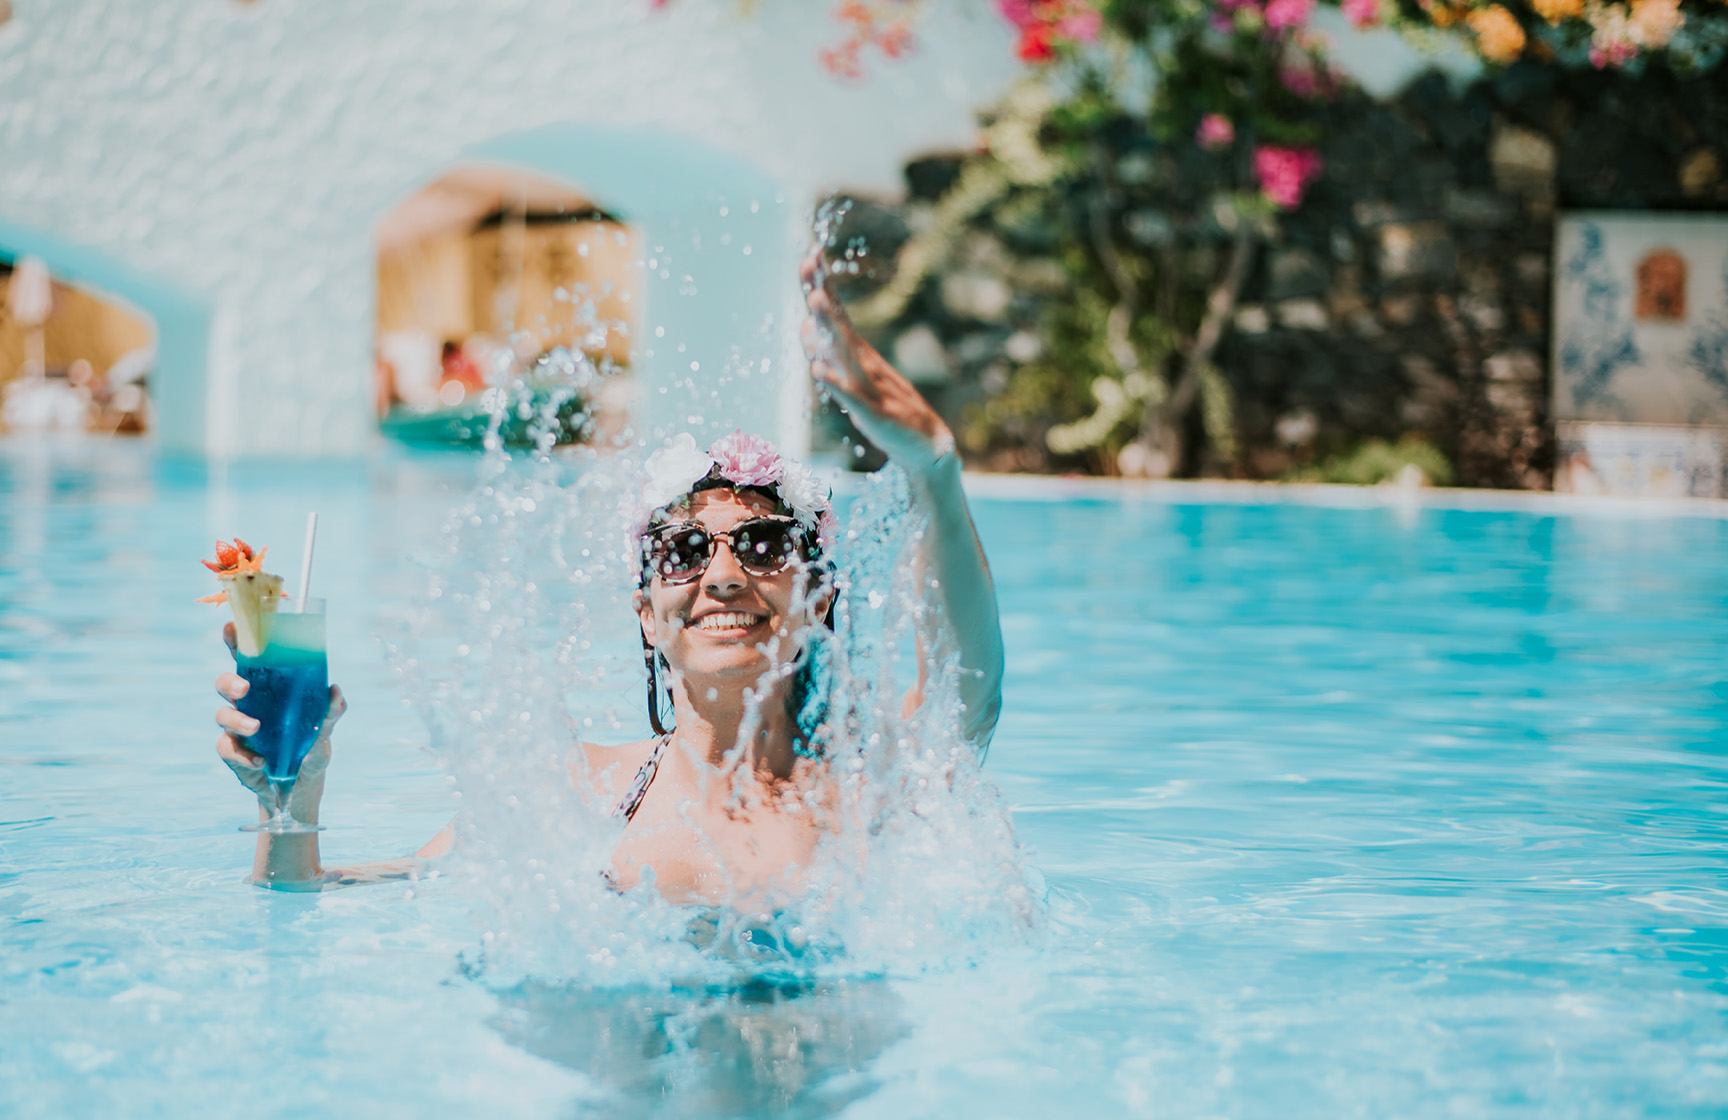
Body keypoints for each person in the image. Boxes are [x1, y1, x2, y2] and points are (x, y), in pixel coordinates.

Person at [212, 252, 1005, 899]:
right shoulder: (577, 791)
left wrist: (933, 470)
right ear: (648, 613)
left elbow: (969, 685)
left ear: (816, 596)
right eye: (684, 554)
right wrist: (293, 805)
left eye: (763, 547)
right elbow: (309, 896)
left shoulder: (863, 789)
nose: (723, 576)